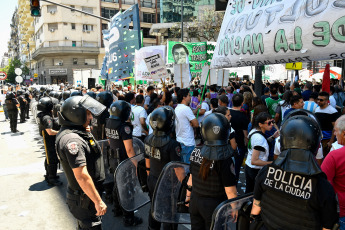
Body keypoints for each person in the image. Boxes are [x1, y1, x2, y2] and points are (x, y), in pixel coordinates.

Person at [250, 115, 338, 230]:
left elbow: (256, 208)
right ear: (316, 145)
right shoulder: (322, 186)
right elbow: (327, 226)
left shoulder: (266, 171)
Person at [55, 95, 107, 229]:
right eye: (88, 114)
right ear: (76, 114)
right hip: (85, 200)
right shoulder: (73, 140)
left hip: (84, 197)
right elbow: (82, 176)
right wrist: (98, 201)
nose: (91, 117)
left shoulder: (76, 132)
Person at [186, 113, 237, 230]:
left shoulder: (196, 151)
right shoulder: (225, 158)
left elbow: (191, 179)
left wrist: (188, 197)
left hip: (195, 200)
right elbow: (230, 191)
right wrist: (234, 207)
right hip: (214, 206)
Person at [105, 100, 143, 226]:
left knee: (117, 184)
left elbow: (109, 141)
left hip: (113, 159)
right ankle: (129, 218)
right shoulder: (124, 127)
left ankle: (117, 209)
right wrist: (135, 165)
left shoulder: (108, 122)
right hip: (123, 160)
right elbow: (129, 149)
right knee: (127, 189)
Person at [144, 106, 182, 230]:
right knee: (169, 213)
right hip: (168, 183)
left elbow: (147, 162)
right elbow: (178, 170)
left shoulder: (148, 139)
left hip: (153, 179)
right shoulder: (173, 144)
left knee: (154, 207)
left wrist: (149, 176)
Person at [322, 115, 345, 230]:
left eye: (335, 131)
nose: (335, 134)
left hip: (341, 212)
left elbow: (322, 183)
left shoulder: (335, 155)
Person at [245, 112, 273, 193]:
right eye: (269, 123)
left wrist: (272, 137)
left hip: (249, 167)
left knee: (248, 193)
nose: (271, 124)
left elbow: (260, 147)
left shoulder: (253, 131)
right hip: (255, 171)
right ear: (260, 124)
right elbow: (254, 161)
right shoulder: (259, 139)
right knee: (254, 195)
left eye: (272, 122)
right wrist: (271, 163)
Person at [37, 97, 62, 186]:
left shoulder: (41, 114)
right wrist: (60, 132)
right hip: (49, 140)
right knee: (52, 159)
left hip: (46, 140)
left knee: (48, 157)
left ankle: (48, 175)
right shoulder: (47, 117)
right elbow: (50, 131)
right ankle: (52, 178)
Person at [175, 88, 199, 163]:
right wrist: (192, 123)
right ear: (184, 97)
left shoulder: (177, 108)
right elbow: (196, 124)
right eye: (189, 95)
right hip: (187, 143)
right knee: (188, 167)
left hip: (180, 140)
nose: (190, 97)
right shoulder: (186, 109)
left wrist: (197, 109)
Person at [230, 93, 249, 183]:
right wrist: (247, 142)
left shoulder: (228, 113)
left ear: (232, 101)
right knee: (237, 166)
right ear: (242, 103)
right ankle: (235, 183)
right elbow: (245, 133)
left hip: (229, 142)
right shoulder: (243, 116)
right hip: (240, 143)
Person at [315, 91, 339, 157]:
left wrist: (331, 141)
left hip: (327, 139)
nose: (318, 101)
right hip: (319, 138)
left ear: (326, 101)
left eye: (321, 100)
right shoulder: (317, 109)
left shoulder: (332, 111)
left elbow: (335, 127)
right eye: (318, 99)